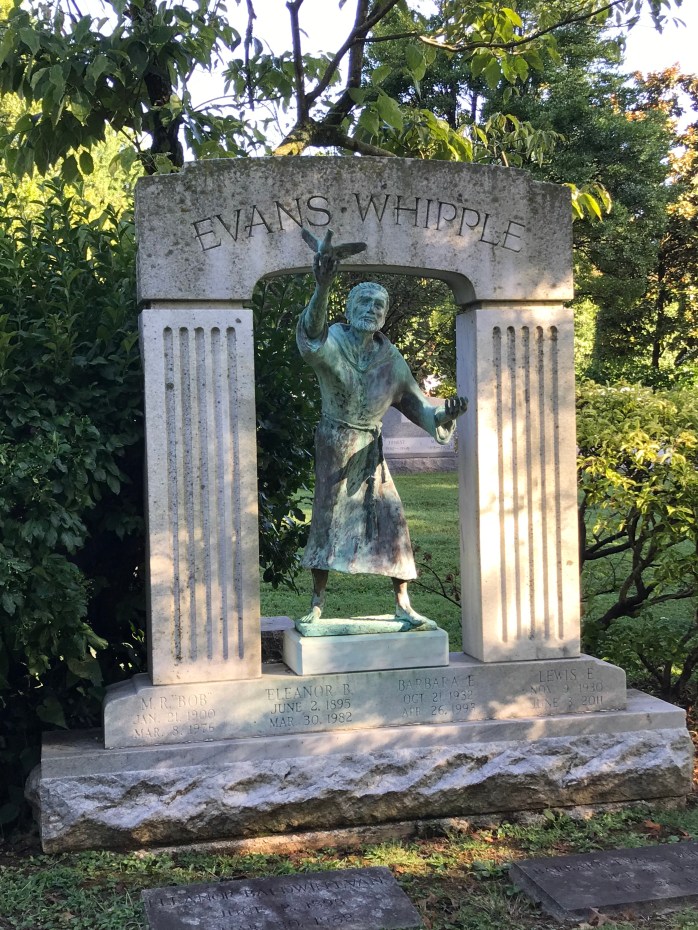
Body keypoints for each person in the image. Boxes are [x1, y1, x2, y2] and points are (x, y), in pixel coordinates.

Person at [297, 236, 467, 631]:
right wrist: (322, 286)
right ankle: (317, 603)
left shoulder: (391, 359)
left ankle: (404, 603)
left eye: (379, 305)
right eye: (365, 302)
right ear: (349, 308)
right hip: (336, 443)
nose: (372, 309)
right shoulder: (333, 341)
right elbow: (311, 337)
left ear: (385, 316)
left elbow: (420, 408)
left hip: (371, 452)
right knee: (328, 520)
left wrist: (445, 414)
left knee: (392, 519)